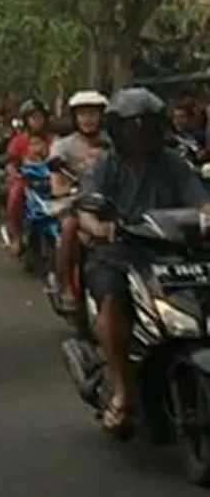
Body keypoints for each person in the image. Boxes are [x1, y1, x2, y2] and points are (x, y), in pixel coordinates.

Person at [77, 87, 210, 434]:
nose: (139, 134)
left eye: (146, 126)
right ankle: (123, 391)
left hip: (174, 252)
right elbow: (86, 208)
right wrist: (98, 225)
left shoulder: (174, 164)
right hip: (118, 253)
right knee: (111, 301)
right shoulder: (105, 165)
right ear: (117, 130)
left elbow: (200, 200)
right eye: (131, 127)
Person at [48, 90, 110, 310]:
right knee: (69, 227)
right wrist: (67, 191)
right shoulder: (63, 146)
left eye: (93, 113)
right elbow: (56, 181)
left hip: (109, 203)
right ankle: (64, 285)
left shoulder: (113, 143)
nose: (88, 119)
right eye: (83, 114)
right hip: (73, 202)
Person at [5, 97, 53, 256]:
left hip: (49, 180)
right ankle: (17, 236)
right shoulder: (19, 141)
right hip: (26, 181)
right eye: (33, 118)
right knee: (15, 197)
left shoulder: (53, 140)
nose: (37, 121)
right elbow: (11, 162)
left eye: (40, 117)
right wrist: (13, 172)